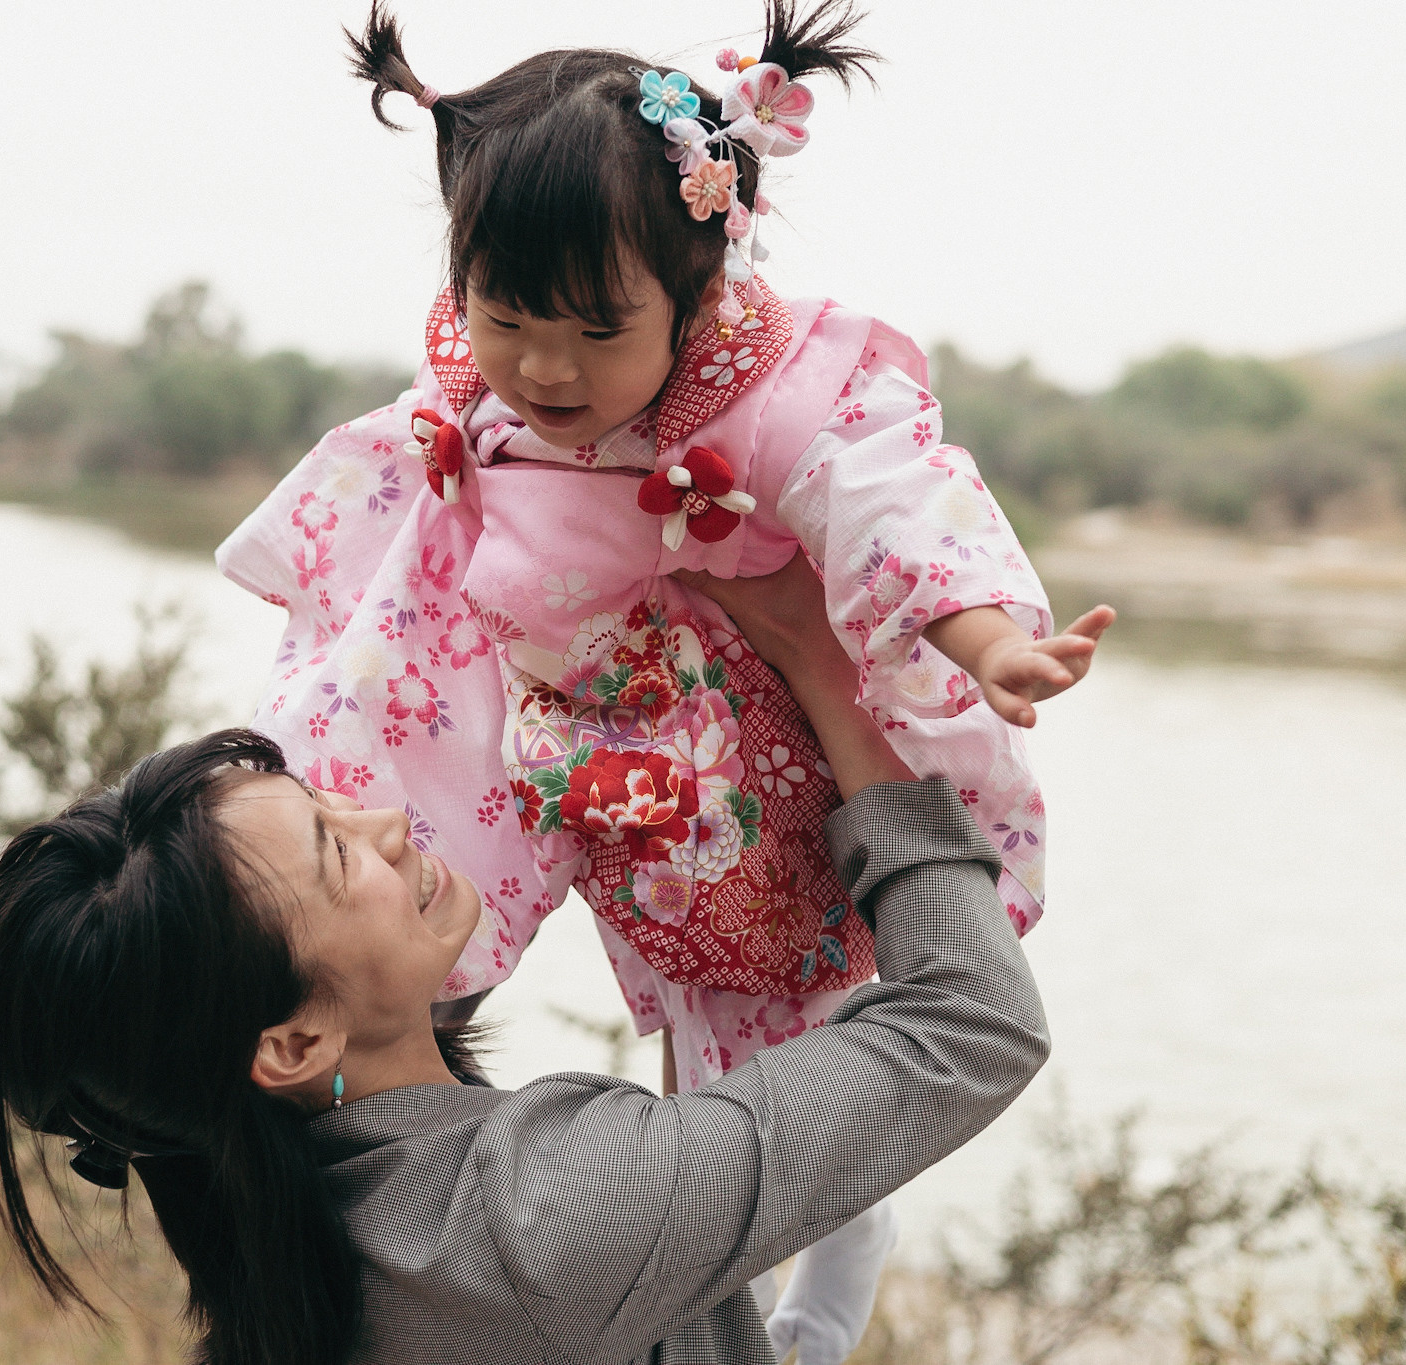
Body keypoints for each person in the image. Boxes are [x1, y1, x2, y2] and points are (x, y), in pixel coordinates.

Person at [213, 3, 1112, 1354]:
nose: (545, 368)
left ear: (696, 294)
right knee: (419, 885)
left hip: (744, 745)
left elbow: (896, 498)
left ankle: (819, 1296)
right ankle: (353, 1054)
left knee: (787, 1028)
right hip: (570, 723)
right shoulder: (478, 378)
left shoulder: (775, 383)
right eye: (506, 317)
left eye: (593, 329)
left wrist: (987, 637)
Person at [0, 553, 1055, 1365]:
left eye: (323, 798)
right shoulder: (543, 1217)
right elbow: (969, 1023)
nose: (384, 820)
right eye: (330, 852)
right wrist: (823, 673)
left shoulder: (274, 1219)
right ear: (293, 1042)